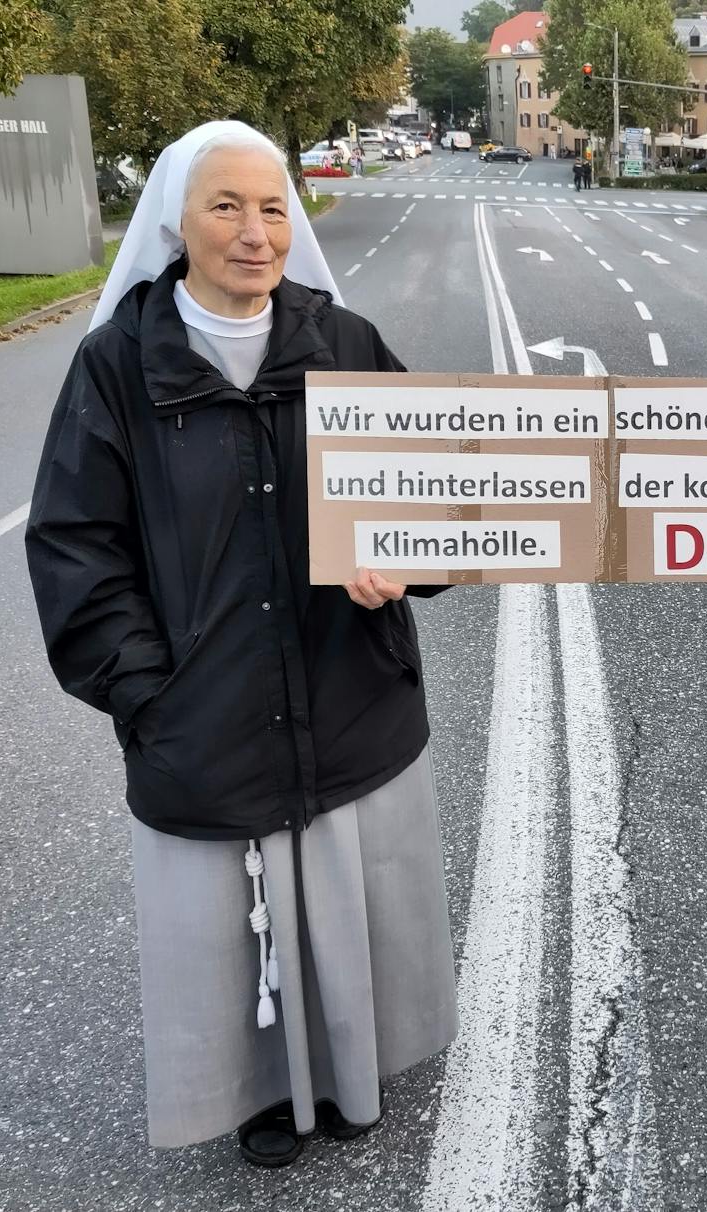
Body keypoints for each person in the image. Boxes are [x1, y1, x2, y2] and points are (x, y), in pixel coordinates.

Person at [25, 121, 458, 1167]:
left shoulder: (344, 343)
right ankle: (262, 1096)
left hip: (348, 690)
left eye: (272, 208)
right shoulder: (117, 367)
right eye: (226, 207)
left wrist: (406, 561)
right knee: (237, 924)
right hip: (204, 716)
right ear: (177, 222)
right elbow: (77, 550)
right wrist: (148, 695)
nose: (255, 233)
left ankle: (355, 1076)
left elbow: (440, 496)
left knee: (342, 892)